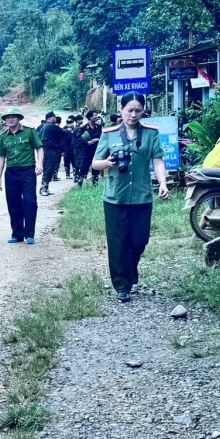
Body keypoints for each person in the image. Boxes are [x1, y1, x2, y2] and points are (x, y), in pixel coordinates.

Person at [90, 97, 170, 303]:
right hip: (115, 197)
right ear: (121, 110)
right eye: (129, 110)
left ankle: (130, 268)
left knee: (139, 240)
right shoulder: (109, 134)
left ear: (143, 111)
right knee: (118, 242)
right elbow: (95, 164)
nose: (133, 115)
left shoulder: (151, 133)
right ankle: (122, 285)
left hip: (142, 196)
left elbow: (158, 160)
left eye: (138, 111)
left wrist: (163, 183)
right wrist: (107, 162)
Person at [0, 108, 43, 244]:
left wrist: (40, 164)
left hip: (28, 171)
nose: (10, 119)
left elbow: (39, 148)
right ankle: (17, 233)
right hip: (11, 172)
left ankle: (29, 234)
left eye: (13, 117)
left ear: (19, 118)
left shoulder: (29, 132)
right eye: (7, 117)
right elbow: (1, 157)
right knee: (13, 203)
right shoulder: (4, 136)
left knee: (30, 202)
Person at [37, 112, 65, 195]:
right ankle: (43, 188)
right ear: (50, 118)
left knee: (47, 168)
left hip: (44, 149)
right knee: (49, 169)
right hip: (51, 150)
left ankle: (45, 188)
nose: (55, 118)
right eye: (54, 117)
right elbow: (63, 134)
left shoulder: (42, 127)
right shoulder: (53, 127)